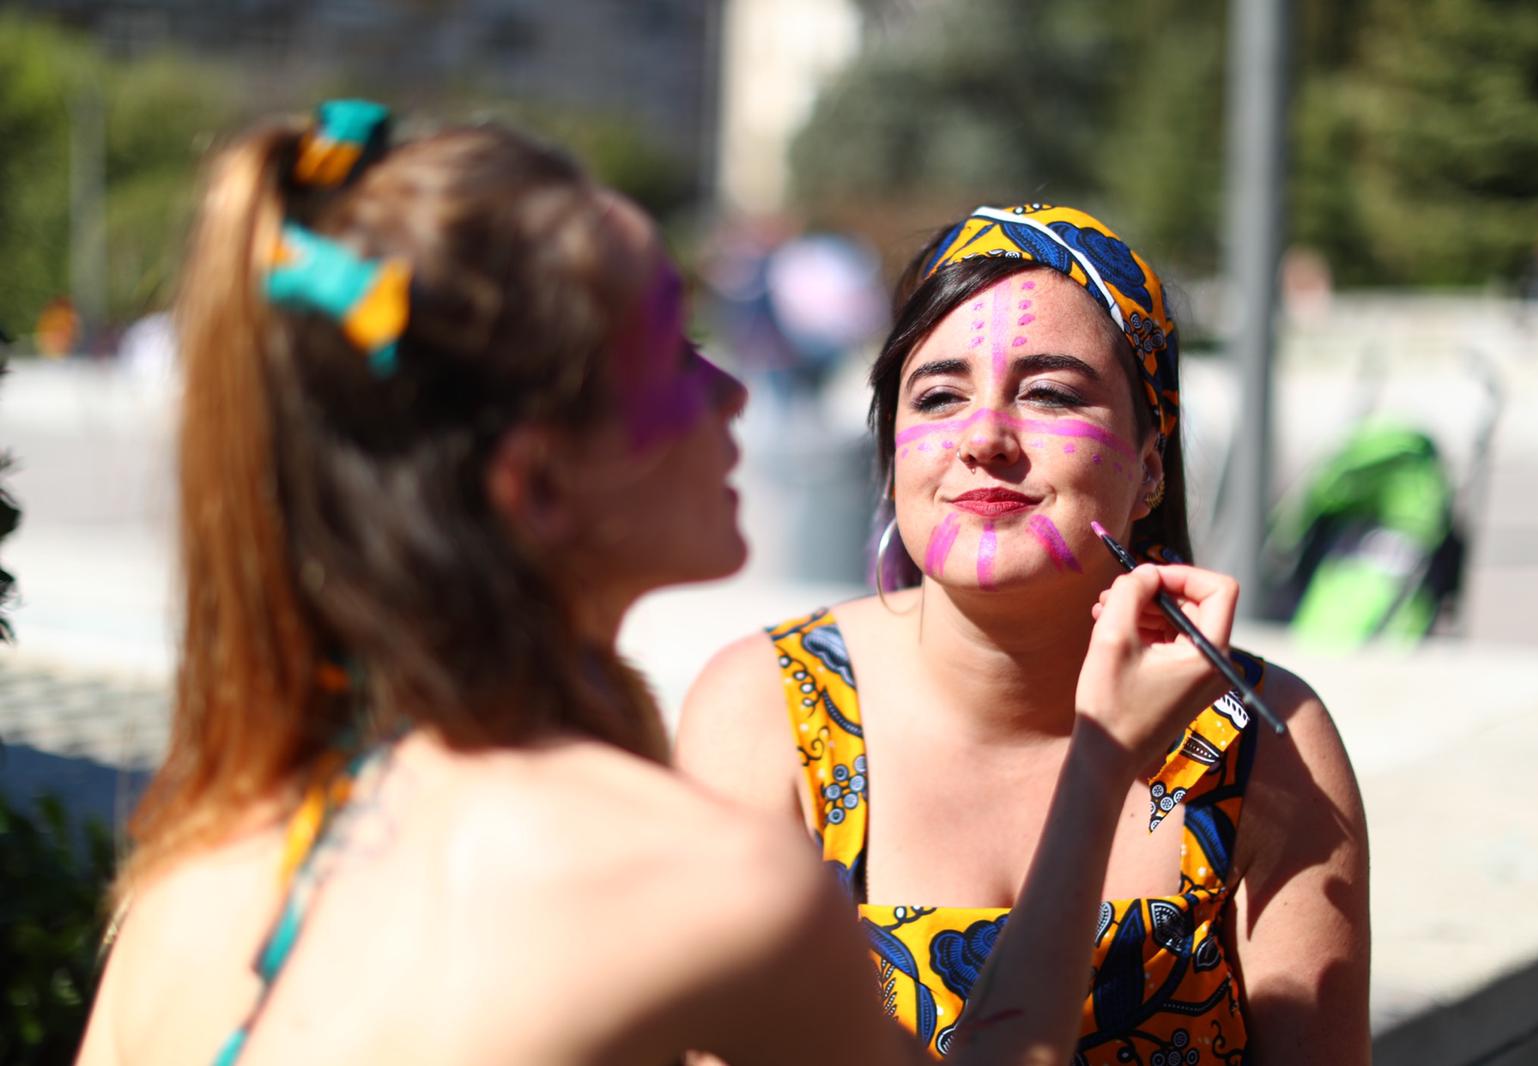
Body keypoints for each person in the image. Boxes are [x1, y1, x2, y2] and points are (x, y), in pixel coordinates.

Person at [76, 108, 1259, 1066]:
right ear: (539, 481)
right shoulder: (702, 885)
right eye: (665, 350)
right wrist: (1099, 762)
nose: (732, 396)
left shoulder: (199, 882)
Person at [678, 204, 1372, 1064]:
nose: (983, 439)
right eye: (937, 396)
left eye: (1047, 392)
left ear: (1151, 467)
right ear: (892, 453)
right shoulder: (767, 712)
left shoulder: (1266, 742)